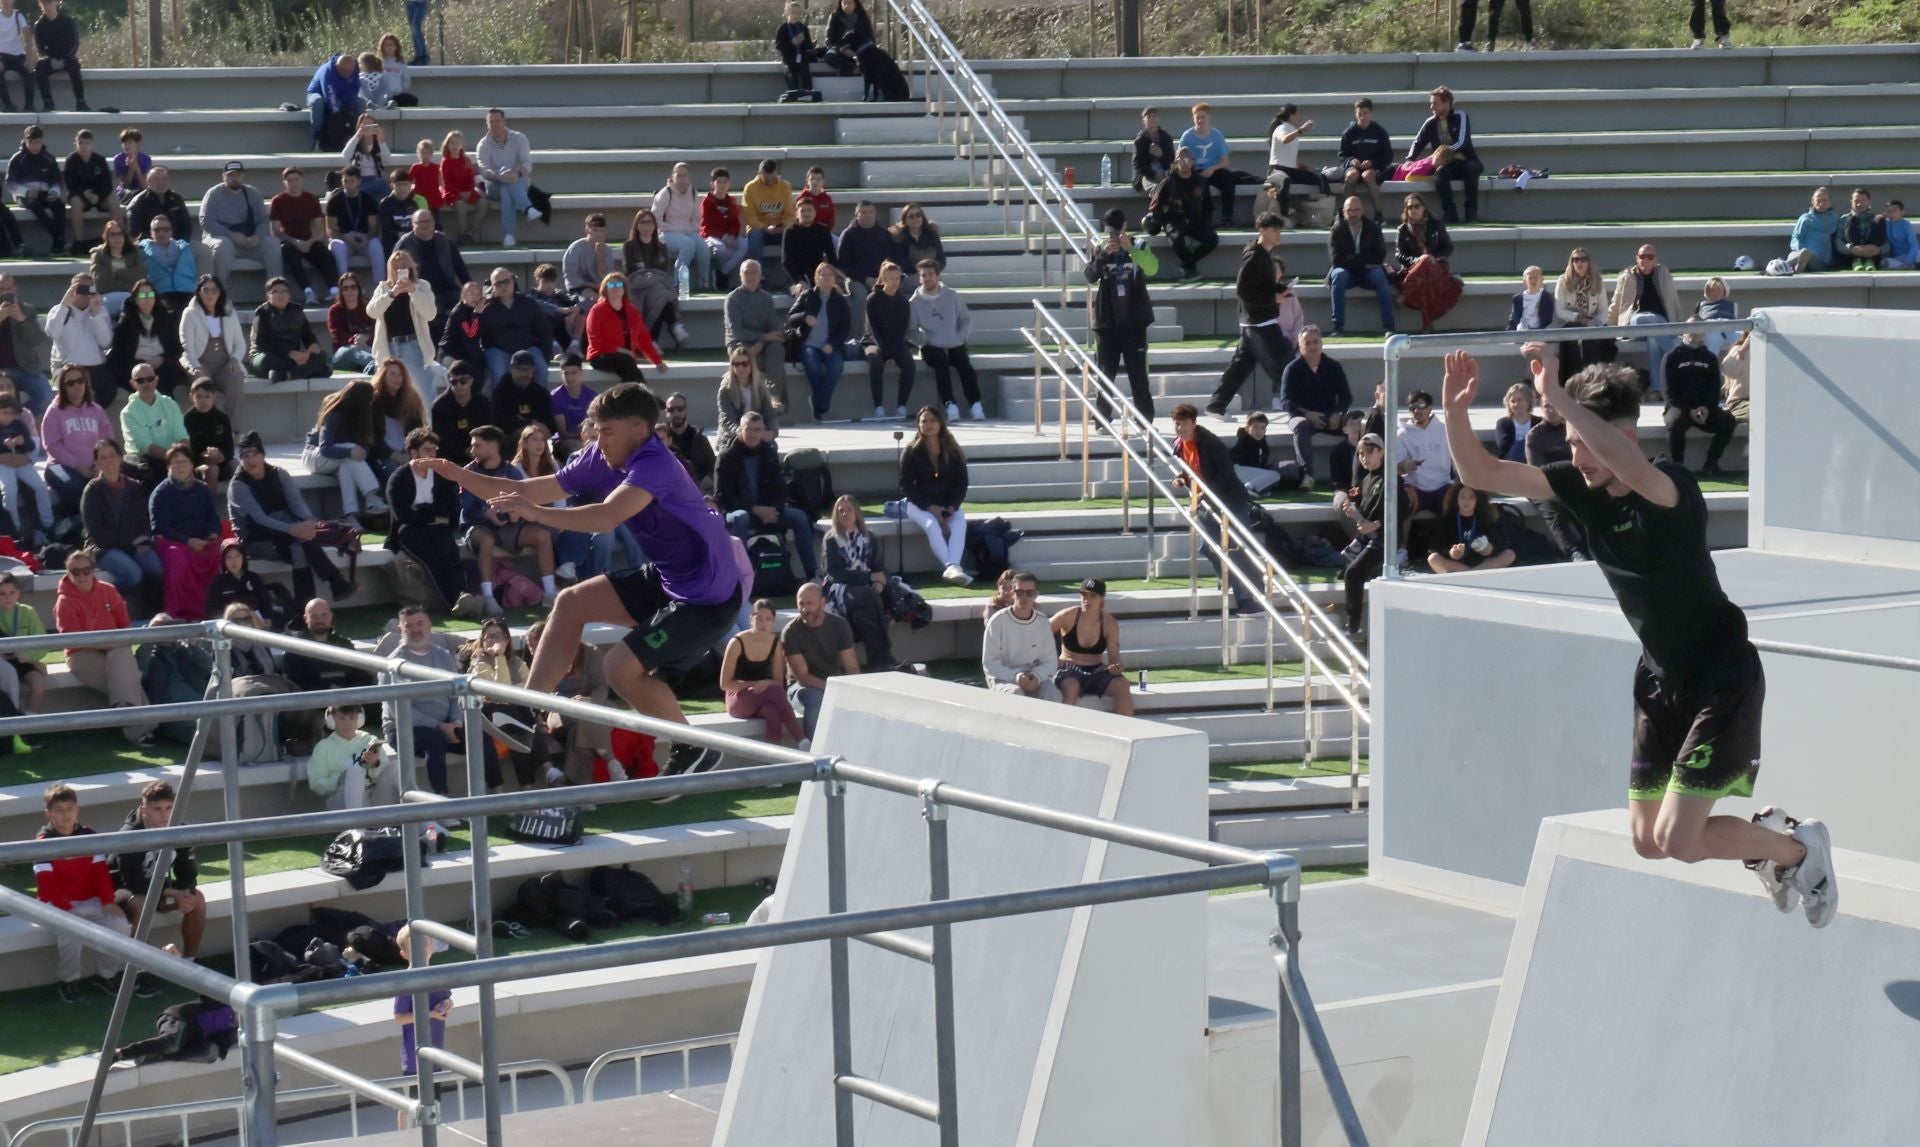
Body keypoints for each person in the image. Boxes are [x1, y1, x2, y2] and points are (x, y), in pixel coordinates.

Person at [1438, 347, 1835, 926]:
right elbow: (1483, 474)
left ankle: (1798, 852)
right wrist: (1454, 412)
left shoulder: (1670, 487)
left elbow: (1631, 467)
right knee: (1648, 841)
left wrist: (1558, 395)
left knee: (1678, 838)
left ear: (1622, 435)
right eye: (1570, 443)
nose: (1577, 456)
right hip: (1658, 680)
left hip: (1721, 676)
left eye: (1584, 442)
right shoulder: (1579, 486)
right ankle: (1772, 842)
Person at [424, 382, 748, 779]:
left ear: (638, 431)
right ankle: (525, 712)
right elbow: (524, 489)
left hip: (709, 597)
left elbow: (606, 517)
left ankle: (693, 744)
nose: (598, 439)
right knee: (571, 602)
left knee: (619, 668)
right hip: (669, 577)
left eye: (607, 431)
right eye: (596, 429)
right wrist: (456, 473)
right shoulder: (600, 455)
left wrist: (535, 514)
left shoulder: (656, 465)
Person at [35, 783, 134, 1001]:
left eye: (70, 808)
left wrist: (108, 901)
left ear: (77, 810)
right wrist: (68, 909)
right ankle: (68, 981)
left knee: (118, 924)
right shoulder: (43, 841)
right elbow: (47, 885)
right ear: (48, 814)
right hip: (55, 904)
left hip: (90, 899)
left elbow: (100, 874)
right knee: (72, 931)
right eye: (59, 810)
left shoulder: (88, 834)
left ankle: (106, 975)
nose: (65, 815)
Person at [230, 431, 353, 603]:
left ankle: (306, 608)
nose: (250, 460)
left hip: (283, 532)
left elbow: (297, 504)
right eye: (245, 456)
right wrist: (292, 529)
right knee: (299, 543)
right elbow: (259, 519)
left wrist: (309, 520)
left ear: (263, 454)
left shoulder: (279, 474)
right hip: (255, 539)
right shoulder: (238, 485)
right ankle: (335, 582)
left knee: (299, 548)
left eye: (254, 454)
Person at [1171, 402, 1270, 614]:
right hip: (1207, 503)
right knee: (1208, 548)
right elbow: (1191, 468)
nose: (1180, 428)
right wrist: (1182, 478)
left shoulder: (1210, 443)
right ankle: (1230, 581)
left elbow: (1225, 473)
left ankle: (1252, 598)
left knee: (1236, 549)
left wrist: (1204, 493)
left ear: (1194, 423)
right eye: (1177, 424)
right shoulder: (1179, 443)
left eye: (1185, 423)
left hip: (1230, 500)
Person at [56, 550, 155, 738]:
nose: (82, 576)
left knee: (122, 661)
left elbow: (124, 624)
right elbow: (73, 639)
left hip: (114, 649)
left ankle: (125, 712)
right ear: (68, 574)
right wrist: (108, 642)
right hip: (81, 655)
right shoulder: (64, 601)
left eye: (86, 570)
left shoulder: (108, 590)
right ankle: (144, 728)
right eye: (76, 572)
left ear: (93, 570)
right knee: (127, 678)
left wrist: (111, 642)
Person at [460, 424, 556, 610]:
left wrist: (516, 512)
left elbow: (522, 500)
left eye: (477, 445)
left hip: (509, 527)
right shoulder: (469, 472)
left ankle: (550, 592)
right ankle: (488, 597)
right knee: (486, 540)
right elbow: (468, 509)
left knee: (542, 535)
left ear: (493, 446)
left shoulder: (511, 472)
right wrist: (486, 513)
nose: (472, 451)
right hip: (479, 526)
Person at [1207, 213, 1293, 418]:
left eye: (1279, 230)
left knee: (1240, 367)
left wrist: (1280, 290)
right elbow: (1243, 290)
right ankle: (1297, 408)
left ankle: (1216, 405)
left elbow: (1261, 286)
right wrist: (1273, 298)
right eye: (1274, 230)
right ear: (1261, 230)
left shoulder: (1264, 255)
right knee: (1282, 365)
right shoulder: (1254, 256)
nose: (1278, 234)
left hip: (1254, 323)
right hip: (1260, 323)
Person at [111, 781, 206, 962]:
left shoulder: (179, 828)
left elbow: (188, 872)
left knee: (197, 900)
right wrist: (171, 892)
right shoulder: (129, 834)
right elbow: (132, 883)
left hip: (158, 890)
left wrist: (186, 893)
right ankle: (139, 967)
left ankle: (190, 962)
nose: (164, 815)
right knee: (142, 904)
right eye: (157, 809)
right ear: (144, 810)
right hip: (123, 894)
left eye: (169, 808)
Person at [377, 605, 464, 797]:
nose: (415, 629)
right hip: (403, 728)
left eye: (420, 623)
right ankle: (441, 800)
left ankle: (493, 798)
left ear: (429, 625)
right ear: (400, 629)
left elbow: (456, 696)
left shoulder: (443, 656)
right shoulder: (392, 664)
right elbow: (400, 711)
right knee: (436, 739)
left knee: (477, 736)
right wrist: (439, 726)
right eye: (409, 625)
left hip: (446, 724)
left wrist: (456, 721)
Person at [716, 409, 813, 574]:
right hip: (739, 511)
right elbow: (722, 496)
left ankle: (812, 573)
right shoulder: (727, 456)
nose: (753, 434)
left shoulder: (769, 453)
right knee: (740, 518)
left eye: (758, 430)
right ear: (741, 430)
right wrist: (753, 509)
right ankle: (739, 575)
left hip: (767, 510)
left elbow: (780, 488)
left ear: (763, 431)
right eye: (749, 429)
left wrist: (772, 509)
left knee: (800, 517)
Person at [1084, 210, 1155, 422]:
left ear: (1125, 226)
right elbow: (1090, 276)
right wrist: (1103, 256)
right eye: (1110, 231)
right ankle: (1102, 419)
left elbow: (1152, 268)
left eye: (1117, 230)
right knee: (1105, 374)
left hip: (1135, 322)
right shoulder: (1100, 248)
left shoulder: (1139, 244)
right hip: (1107, 324)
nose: (1114, 235)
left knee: (1139, 376)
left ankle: (1144, 420)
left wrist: (1130, 249)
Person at [385, 427, 465, 610]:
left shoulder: (441, 476)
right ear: (414, 453)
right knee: (431, 559)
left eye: (434, 450)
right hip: (409, 530)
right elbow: (402, 514)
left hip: (438, 528)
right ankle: (453, 603)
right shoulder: (399, 478)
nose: (433, 454)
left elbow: (451, 509)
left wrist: (423, 511)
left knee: (451, 555)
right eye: (427, 450)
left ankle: (463, 596)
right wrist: (432, 514)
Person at [148, 445, 221, 620]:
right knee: (177, 558)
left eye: (184, 462)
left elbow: (213, 520)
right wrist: (188, 541)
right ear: (168, 467)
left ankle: (214, 607)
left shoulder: (203, 490)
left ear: (192, 465)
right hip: (174, 542)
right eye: (175, 462)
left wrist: (211, 534)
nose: (180, 466)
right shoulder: (161, 493)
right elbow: (160, 527)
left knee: (223, 552)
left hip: (202, 541)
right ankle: (180, 611)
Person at [820, 494, 893, 668]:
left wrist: (879, 583)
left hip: (864, 592)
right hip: (839, 589)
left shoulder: (869, 537)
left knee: (862, 617)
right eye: (841, 511)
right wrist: (869, 578)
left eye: (849, 510)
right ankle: (885, 654)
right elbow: (835, 573)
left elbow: (879, 568)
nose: (845, 514)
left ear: (857, 513)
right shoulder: (831, 539)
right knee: (870, 596)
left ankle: (877, 662)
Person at [900, 404, 970, 584]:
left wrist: (951, 507)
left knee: (959, 525)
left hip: (948, 504)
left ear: (940, 423)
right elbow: (906, 485)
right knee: (932, 525)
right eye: (924, 421)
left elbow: (961, 482)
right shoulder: (911, 451)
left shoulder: (953, 449)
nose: (928, 424)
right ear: (918, 425)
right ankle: (952, 567)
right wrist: (930, 507)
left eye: (932, 420)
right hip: (919, 505)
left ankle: (952, 567)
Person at [721, 598, 806, 745]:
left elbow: (778, 682)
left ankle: (771, 755)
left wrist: (766, 683)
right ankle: (802, 740)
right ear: (750, 619)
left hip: (763, 696)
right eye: (758, 618)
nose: (763, 622)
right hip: (738, 698)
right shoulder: (737, 642)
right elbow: (725, 684)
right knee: (774, 692)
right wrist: (756, 684)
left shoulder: (775, 643)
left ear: (773, 621)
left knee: (772, 711)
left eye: (768, 619)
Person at [782, 580, 856, 739]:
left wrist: (852, 691)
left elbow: (852, 668)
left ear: (823, 603)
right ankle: (813, 750)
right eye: (801, 604)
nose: (804, 609)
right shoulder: (790, 632)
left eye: (809, 603)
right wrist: (832, 690)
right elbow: (803, 677)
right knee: (816, 701)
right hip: (800, 688)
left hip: (833, 681)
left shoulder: (839, 625)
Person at [1662, 323, 1738, 478]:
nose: (1694, 332)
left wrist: (1706, 407)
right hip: (1680, 407)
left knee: (1728, 421)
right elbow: (1668, 391)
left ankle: (1711, 464)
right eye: (1690, 328)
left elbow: (1715, 388)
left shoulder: (1710, 358)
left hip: (1704, 409)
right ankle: (1678, 466)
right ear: (1684, 331)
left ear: (1703, 333)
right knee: (1675, 422)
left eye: (1697, 329)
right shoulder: (1672, 356)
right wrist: (1688, 410)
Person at [1275, 326, 1351, 481]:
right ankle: (1307, 475)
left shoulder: (1334, 366)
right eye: (1307, 343)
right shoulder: (1292, 369)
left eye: (1315, 341)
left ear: (1321, 343)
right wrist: (1307, 414)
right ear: (1300, 346)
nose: (1312, 346)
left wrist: (1338, 413)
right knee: (1301, 426)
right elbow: (1286, 401)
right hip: (1302, 416)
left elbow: (1346, 396)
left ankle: (1356, 472)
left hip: (1330, 417)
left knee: (1357, 422)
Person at [909, 260, 982, 421]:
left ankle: (975, 404)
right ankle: (950, 405)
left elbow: (966, 320)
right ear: (919, 278)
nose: (927, 278)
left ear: (938, 276)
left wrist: (961, 337)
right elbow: (911, 330)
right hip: (931, 346)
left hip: (955, 342)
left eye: (930, 274)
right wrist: (926, 340)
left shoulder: (952, 295)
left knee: (964, 365)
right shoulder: (914, 302)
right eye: (923, 275)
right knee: (940, 365)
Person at [1049, 578, 1133, 715]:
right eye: (1084, 595)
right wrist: (1051, 660)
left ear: (1102, 599)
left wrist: (1116, 667)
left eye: (1092, 596)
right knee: (1071, 686)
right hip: (1068, 668)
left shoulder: (1109, 623)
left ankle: (1125, 727)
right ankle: (1063, 725)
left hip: (1096, 669)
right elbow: (1040, 632)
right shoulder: (1068, 615)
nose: (1086, 600)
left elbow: (1114, 658)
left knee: (1123, 685)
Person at [41, 362, 109, 525]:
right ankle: (76, 523)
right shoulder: (54, 411)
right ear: (63, 387)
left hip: (94, 466)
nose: (76, 386)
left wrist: (99, 465)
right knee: (75, 487)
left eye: (80, 381)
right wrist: (77, 465)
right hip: (60, 466)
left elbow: (107, 441)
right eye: (70, 383)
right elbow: (51, 445)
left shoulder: (97, 410)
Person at [369, 248, 439, 405]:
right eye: (396, 268)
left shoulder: (422, 286)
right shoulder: (383, 288)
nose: (400, 271)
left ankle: (427, 422)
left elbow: (430, 314)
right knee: (388, 398)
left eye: (404, 267)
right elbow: (371, 312)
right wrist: (391, 294)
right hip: (388, 349)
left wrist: (413, 292)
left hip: (413, 347)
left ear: (411, 268)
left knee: (423, 396)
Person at [1404, 86, 1483, 226]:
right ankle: (1450, 212)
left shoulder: (1460, 116)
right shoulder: (1430, 122)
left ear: (1447, 103)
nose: (1432, 107)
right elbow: (1418, 142)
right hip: (1445, 164)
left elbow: (1462, 141)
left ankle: (1471, 212)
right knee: (1440, 172)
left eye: (1435, 103)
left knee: (1472, 169)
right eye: (1431, 103)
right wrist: (1410, 159)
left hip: (1463, 161)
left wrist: (1443, 152)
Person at [199, 160, 281, 289]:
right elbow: (206, 222)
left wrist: (257, 236)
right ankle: (220, 292)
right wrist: (232, 235)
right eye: (230, 175)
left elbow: (263, 221)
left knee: (273, 244)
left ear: (243, 176)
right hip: (222, 239)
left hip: (250, 241)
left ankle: (277, 289)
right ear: (223, 177)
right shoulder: (213, 194)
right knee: (222, 246)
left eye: (238, 175)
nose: (234, 178)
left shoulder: (254, 193)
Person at [1336, 432, 1387, 638]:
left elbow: (1399, 512)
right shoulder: (1367, 479)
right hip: (1369, 537)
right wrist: (1353, 510)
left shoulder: (1390, 480)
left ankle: (1353, 625)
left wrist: (1375, 524)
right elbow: (1360, 505)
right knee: (1344, 570)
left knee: (1353, 574)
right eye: (1360, 454)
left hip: (1385, 541)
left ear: (1381, 452)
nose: (1364, 458)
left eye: (1368, 452)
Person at [1608, 244, 1682, 384]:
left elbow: (1674, 299)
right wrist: (1609, 325)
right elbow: (1616, 302)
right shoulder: (1627, 276)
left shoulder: (1664, 274)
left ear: (1656, 260)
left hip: (1660, 321)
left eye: (1650, 257)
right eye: (1642, 257)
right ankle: (1677, 356)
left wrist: (1678, 325)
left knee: (1653, 339)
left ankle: (1657, 388)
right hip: (1635, 322)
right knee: (1647, 319)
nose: (1645, 260)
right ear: (1637, 258)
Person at [981, 570, 1060, 701]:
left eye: (1029, 593)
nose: (1024, 597)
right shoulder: (997, 621)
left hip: (1032, 675)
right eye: (1019, 592)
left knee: (1053, 694)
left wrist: (1037, 676)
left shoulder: (1042, 622)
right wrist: (1016, 676)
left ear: (1036, 595)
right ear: (1012, 593)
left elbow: (1050, 661)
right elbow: (990, 663)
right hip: (1002, 677)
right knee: (1015, 694)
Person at [786, 260, 850, 420]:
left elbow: (845, 327)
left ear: (834, 278)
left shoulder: (840, 300)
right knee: (813, 365)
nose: (826, 278)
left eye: (830, 275)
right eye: (823, 275)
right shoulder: (807, 296)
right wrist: (804, 317)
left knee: (836, 366)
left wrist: (832, 344)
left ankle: (817, 401)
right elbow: (790, 318)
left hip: (830, 345)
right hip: (808, 344)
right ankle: (822, 405)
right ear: (816, 278)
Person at [107, 279, 186, 403]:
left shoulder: (167, 317)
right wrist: (142, 364)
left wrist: (162, 358)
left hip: (162, 364)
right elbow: (119, 351)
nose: (147, 299)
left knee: (164, 381)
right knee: (141, 379)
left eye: (150, 294)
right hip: (135, 365)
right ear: (135, 299)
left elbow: (177, 347)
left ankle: (166, 408)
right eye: (142, 295)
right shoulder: (126, 320)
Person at [308, 702, 400, 808]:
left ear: (359, 719)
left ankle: (413, 814)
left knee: (396, 766)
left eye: (352, 718)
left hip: (373, 797)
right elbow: (315, 783)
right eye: (341, 718)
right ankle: (356, 818)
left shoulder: (370, 740)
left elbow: (382, 776)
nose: (347, 723)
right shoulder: (323, 747)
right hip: (341, 803)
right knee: (355, 770)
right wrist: (338, 780)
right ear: (331, 720)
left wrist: (375, 764)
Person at [724, 260, 789, 410]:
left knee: (776, 348)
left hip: (762, 342)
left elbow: (772, 326)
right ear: (740, 275)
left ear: (761, 276)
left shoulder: (766, 298)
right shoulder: (732, 299)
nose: (750, 275)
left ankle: (775, 397)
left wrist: (765, 340)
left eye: (754, 272)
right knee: (744, 354)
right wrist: (763, 338)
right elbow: (737, 331)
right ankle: (743, 404)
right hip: (739, 342)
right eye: (746, 272)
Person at [1327, 195, 1395, 336]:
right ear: (1344, 212)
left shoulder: (1373, 228)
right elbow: (1336, 259)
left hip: (1367, 272)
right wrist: (1363, 262)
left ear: (1363, 210)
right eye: (1349, 210)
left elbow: (1379, 255)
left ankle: (1389, 326)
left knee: (1379, 275)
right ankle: (1337, 327)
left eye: (1356, 210)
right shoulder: (1336, 230)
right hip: (1348, 271)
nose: (1353, 213)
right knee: (1338, 275)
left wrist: (1352, 259)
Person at [1389, 193, 1458, 331]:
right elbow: (1399, 255)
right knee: (1426, 277)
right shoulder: (1403, 229)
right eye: (1410, 207)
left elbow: (1448, 247)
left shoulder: (1436, 225)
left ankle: (1406, 294)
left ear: (1423, 208)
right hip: (1414, 269)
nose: (1413, 209)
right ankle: (1428, 324)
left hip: (1437, 266)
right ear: (1406, 210)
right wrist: (1418, 260)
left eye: (1417, 206)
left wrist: (1434, 258)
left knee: (1427, 262)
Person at [1146, 148, 1217, 281]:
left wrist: (1208, 224)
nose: (1184, 162)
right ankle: (1191, 268)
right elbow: (1155, 207)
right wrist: (1164, 221)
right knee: (1176, 239)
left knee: (1212, 239)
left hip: (1194, 220)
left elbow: (1208, 207)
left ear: (1193, 162)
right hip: (1173, 220)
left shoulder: (1201, 182)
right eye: (1180, 159)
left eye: (1187, 158)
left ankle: (1187, 265)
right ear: (1175, 163)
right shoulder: (1168, 183)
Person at [621, 209, 688, 347]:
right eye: (643, 222)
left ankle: (653, 341)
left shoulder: (661, 245)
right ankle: (674, 324)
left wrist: (647, 270)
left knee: (658, 295)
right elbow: (630, 269)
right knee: (660, 293)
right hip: (637, 285)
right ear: (637, 225)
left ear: (654, 226)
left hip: (657, 283)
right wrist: (649, 272)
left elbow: (664, 268)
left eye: (650, 222)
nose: (646, 226)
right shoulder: (629, 245)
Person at [585, 271, 667, 383]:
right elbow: (595, 342)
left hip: (626, 358)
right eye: (611, 285)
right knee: (627, 363)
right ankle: (643, 392)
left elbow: (643, 339)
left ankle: (630, 393)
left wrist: (657, 361)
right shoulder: (597, 311)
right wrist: (621, 350)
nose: (615, 288)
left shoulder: (632, 311)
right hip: (601, 356)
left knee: (629, 371)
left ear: (624, 289)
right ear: (605, 290)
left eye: (619, 284)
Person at [395, 208, 471, 328]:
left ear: (434, 223)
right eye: (420, 222)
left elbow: (460, 267)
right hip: (421, 291)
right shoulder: (404, 244)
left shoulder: (446, 241)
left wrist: (470, 288)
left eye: (427, 221)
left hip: (449, 288)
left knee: (467, 307)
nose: (424, 225)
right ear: (413, 224)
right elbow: (395, 270)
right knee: (436, 315)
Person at [478, 266, 553, 389]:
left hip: (528, 347)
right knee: (499, 374)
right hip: (498, 349)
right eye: (498, 284)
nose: (503, 286)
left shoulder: (529, 303)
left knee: (542, 370)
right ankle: (501, 402)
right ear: (492, 287)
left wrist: (545, 355)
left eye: (506, 281)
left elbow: (544, 330)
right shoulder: (486, 307)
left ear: (513, 282)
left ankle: (538, 400)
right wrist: (477, 313)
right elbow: (477, 334)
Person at [44, 272, 112, 404]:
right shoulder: (58, 310)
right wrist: (65, 304)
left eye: (89, 289)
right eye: (80, 289)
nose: (85, 294)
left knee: (108, 390)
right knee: (73, 389)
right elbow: (53, 333)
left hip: (94, 366)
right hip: (65, 366)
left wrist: (96, 315)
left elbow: (105, 342)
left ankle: (92, 414)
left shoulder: (100, 311)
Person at [270, 166, 334, 305]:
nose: (293, 183)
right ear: (284, 182)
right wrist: (295, 241)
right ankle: (308, 292)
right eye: (290, 180)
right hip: (289, 241)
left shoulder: (311, 199)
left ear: (302, 180)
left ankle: (334, 290)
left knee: (325, 253)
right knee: (288, 253)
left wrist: (310, 242)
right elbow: (276, 230)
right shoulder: (278, 201)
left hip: (309, 239)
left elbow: (319, 228)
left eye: (296, 179)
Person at [861, 260, 916, 420]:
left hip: (896, 342)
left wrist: (893, 352)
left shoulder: (903, 302)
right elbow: (873, 329)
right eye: (891, 278)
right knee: (875, 362)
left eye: (898, 278)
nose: (895, 282)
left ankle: (901, 406)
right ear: (884, 279)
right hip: (874, 341)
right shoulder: (873, 299)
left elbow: (902, 330)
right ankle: (878, 407)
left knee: (909, 364)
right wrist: (886, 353)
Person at [475, 108, 538, 247]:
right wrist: (500, 176)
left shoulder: (519, 138)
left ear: (504, 121)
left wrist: (516, 174)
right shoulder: (483, 145)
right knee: (504, 181)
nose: (495, 124)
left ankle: (509, 236)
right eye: (491, 121)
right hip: (494, 185)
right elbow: (484, 170)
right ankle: (527, 208)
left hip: (520, 181)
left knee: (506, 190)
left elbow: (527, 164)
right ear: (487, 124)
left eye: (498, 120)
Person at [248, 277, 329, 385]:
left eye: (284, 291)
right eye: (275, 292)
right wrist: (289, 353)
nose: (280, 295)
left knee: (322, 357)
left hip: (293, 357)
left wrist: (313, 345)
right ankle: (301, 372)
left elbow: (308, 335)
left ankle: (287, 375)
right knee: (266, 362)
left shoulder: (297, 312)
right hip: (266, 355)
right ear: (268, 296)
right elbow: (263, 343)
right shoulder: (262, 313)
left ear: (289, 295)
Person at [118, 363, 187, 485]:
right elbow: (146, 447)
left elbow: (182, 436)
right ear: (133, 384)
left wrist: (182, 459)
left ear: (156, 380)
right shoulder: (128, 413)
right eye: (140, 381)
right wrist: (174, 460)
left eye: (149, 379)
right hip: (144, 463)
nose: (146, 384)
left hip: (172, 458)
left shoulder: (170, 404)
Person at [1425, 483, 1518, 573]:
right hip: (1457, 565)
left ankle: (1472, 573)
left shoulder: (1485, 519)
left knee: (1509, 554)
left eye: (1471, 497)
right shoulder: (1447, 520)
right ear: (1456, 499)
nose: (1466, 501)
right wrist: (1451, 552)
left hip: (1482, 563)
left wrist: (1489, 549)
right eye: (1462, 497)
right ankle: (1474, 573)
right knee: (1433, 558)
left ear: (1477, 500)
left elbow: (1499, 544)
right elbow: (1435, 547)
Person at [1552, 248, 1614, 379]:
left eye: (1583, 259)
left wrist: (1596, 322)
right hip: (1571, 322)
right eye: (1576, 259)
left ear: (1589, 262)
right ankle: (1576, 380)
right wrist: (1580, 319)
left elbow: (1603, 310)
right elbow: (1560, 310)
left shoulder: (1598, 280)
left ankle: (1598, 378)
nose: (1579, 262)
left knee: (1600, 341)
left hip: (1593, 322)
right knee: (1576, 341)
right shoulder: (1563, 280)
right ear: (1572, 262)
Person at [653, 161, 712, 293]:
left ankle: (704, 281)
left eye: (684, 175)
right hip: (666, 234)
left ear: (689, 177)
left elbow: (697, 218)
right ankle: (677, 282)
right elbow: (655, 219)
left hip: (687, 231)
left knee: (702, 246)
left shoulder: (693, 192)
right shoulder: (666, 193)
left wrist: (688, 229)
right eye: (678, 175)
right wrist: (673, 228)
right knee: (689, 244)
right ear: (673, 176)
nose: (681, 178)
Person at [1178, 103, 1239, 226]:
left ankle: (1227, 217)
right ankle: (1203, 220)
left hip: (1212, 170)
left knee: (1228, 180)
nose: (1200, 120)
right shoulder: (1187, 136)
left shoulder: (1217, 135)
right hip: (1194, 171)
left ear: (1209, 117)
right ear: (1193, 118)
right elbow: (1179, 158)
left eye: (1203, 117)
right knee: (1202, 185)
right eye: (1197, 117)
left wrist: (1212, 169)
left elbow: (1225, 161)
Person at [0, 391, 48, 543]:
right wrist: (3, 443)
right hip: (3, 465)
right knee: (10, 490)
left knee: (40, 487)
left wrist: (23, 441)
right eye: (4, 413)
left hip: (20, 462)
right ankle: (15, 527)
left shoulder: (19, 425)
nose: (8, 417)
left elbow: (31, 445)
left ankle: (48, 522)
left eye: (11, 413)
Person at [741, 159, 795, 291]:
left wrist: (783, 226)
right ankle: (759, 280)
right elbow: (750, 217)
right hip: (759, 228)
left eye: (773, 178)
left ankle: (792, 279)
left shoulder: (785, 186)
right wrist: (765, 228)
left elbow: (790, 214)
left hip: (779, 227)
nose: (770, 181)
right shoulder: (750, 188)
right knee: (755, 237)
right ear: (759, 173)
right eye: (766, 178)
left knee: (792, 235)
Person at [1262, 104, 1329, 211]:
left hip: (1290, 170)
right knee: (1285, 181)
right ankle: (1282, 214)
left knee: (1320, 178)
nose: (1300, 117)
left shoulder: (1292, 130)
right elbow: (1284, 139)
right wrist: (1301, 130)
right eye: (1297, 114)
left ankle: (1324, 210)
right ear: (1292, 116)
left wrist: (1308, 168)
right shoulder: (1281, 128)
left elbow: (1289, 158)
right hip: (1276, 170)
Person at [836, 199, 891, 330]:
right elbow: (844, 265)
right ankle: (858, 335)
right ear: (856, 215)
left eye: (871, 212)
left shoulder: (884, 234)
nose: (868, 215)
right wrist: (865, 279)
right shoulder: (848, 235)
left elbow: (890, 259)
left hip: (880, 278)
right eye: (863, 212)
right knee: (860, 294)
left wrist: (880, 278)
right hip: (853, 279)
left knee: (890, 290)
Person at [324, 167, 385, 283]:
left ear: (359, 181)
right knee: (336, 245)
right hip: (344, 240)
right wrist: (346, 238)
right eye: (345, 181)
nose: (349, 184)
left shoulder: (368, 199)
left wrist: (366, 237)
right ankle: (343, 285)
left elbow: (374, 229)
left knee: (376, 245)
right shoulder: (335, 200)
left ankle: (380, 284)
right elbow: (330, 230)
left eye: (352, 181)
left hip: (364, 239)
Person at [10, 124, 65, 250]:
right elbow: (11, 183)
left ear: (42, 141)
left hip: (44, 193)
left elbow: (56, 179)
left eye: (37, 142)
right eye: (31, 142)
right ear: (25, 141)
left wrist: (54, 192)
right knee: (36, 206)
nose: (34, 146)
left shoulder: (49, 158)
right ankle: (59, 238)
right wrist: (26, 192)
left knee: (59, 206)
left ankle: (57, 243)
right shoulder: (17, 158)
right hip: (23, 195)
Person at [1337, 98, 1392, 221]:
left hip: (1373, 167)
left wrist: (1373, 162)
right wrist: (1352, 161)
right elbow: (1342, 155)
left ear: (1371, 113)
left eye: (1365, 113)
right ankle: (1347, 214)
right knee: (1351, 176)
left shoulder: (1380, 132)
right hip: (1354, 167)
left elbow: (1388, 156)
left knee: (1368, 176)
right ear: (1355, 113)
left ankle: (1378, 214)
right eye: (1359, 113)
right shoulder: (1349, 133)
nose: (1362, 117)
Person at [716, 347, 780, 452]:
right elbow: (727, 420)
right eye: (736, 364)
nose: (740, 368)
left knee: (772, 447)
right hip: (733, 436)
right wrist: (744, 433)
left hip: (757, 432)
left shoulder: (760, 387)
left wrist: (772, 432)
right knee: (733, 451)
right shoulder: (726, 389)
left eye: (744, 364)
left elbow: (770, 414)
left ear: (751, 365)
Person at [62, 130, 115, 256]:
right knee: (75, 201)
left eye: (87, 143)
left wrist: (98, 196)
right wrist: (84, 194)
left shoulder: (100, 160)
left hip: (98, 197)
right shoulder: (71, 160)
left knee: (114, 200)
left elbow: (107, 185)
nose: (84, 147)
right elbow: (70, 185)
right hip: (80, 196)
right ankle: (78, 241)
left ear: (92, 145)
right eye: (81, 143)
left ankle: (121, 239)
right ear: (75, 144)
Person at [1231, 412, 1310, 495]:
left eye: (1262, 428)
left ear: (1265, 430)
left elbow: (1261, 462)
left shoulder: (1261, 442)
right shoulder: (1245, 440)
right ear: (1247, 428)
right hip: (1238, 471)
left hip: (1253, 472)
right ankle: (1247, 489)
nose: (1259, 431)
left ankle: (1256, 489)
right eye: (1255, 427)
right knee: (1274, 475)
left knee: (1285, 470)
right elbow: (1248, 462)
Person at [0, 570, 44, 711]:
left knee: (38, 682)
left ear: (18, 592)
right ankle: (13, 717)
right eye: (2, 594)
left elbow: (43, 643)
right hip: (2, 663)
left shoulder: (28, 612)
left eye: (12, 592)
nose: (8, 597)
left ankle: (29, 720)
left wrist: (30, 657)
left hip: (23, 661)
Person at [491, 349, 556, 444]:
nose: (524, 373)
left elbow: (550, 425)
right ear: (511, 369)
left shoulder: (540, 393)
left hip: (539, 439)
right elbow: (500, 424)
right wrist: (529, 425)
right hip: (510, 441)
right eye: (520, 369)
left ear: (533, 370)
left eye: (528, 369)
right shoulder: (501, 392)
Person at [430, 362, 488, 466]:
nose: (458, 385)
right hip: (451, 459)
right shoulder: (440, 406)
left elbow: (489, 432)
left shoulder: (482, 403)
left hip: (480, 454)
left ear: (471, 381)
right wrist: (464, 451)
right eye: (454, 382)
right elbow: (440, 440)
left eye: (463, 381)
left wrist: (476, 448)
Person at [204, 538, 273, 625]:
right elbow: (212, 610)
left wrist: (267, 619)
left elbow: (266, 604)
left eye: (237, 556)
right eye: (229, 557)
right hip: (230, 625)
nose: (234, 561)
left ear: (243, 557)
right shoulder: (218, 582)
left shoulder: (254, 578)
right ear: (223, 560)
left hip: (254, 624)